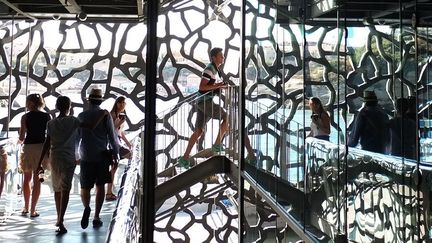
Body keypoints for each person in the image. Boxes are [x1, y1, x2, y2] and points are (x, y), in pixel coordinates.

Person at [178, 47, 228, 168]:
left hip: (201, 102)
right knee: (227, 118)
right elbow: (202, 87)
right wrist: (217, 86)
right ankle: (217, 144)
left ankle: (185, 158)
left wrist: (218, 86)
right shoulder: (210, 69)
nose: (223, 57)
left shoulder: (214, 69)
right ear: (214, 58)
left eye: (223, 56)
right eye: (221, 56)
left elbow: (209, 86)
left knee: (199, 131)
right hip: (205, 102)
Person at [36, 96, 80, 234]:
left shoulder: (51, 123)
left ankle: (58, 216)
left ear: (57, 106)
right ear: (69, 106)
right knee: (66, 188)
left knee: (57, 188)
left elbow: (47, 143)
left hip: (55, 157)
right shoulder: (74, 121)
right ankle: (61, 219)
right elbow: (87, 130)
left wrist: (39, 162)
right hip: (69, 157)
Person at [77, 88, 119, 229]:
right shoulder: (105, 115)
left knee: (85, 186)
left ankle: (86, 207)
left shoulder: (81, 116)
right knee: (100, 186)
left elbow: (77, 138)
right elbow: (112, 137)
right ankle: (96, 216)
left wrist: (76, 155)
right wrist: (116, 153)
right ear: (100, 101)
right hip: (101, 155)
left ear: (89, 101)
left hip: (86, 154)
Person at [18, 93, 51, 218]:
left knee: (27, 179)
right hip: (41, 149)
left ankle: (25, 207)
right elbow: (49, 135)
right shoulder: (47, 116)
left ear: (30, 103)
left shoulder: (24, 117)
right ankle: (33, 210)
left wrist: (18, 140)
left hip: (28, 149)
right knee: (38, 180)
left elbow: (22, 137)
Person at [106, 96, 132, 201]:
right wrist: (119, 123)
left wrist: (128, 144)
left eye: (124, 103)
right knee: (116, 165)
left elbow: (121, 133)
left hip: (118, 142)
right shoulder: (112, 115)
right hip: (113, 143)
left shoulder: (120, 116)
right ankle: (110, 191)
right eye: (120, 103)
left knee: (114, 167)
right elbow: (111, 131)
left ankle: (109, 192)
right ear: (116, 104)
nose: (122, 105)